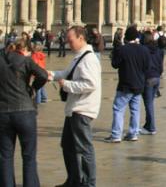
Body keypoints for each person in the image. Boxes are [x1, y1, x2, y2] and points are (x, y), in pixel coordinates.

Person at [51, 25, 103, 187]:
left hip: (82, 109)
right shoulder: (79, 56)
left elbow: (90, 84)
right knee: (67, 145)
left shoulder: (89, 59)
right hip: (74, 109)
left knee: (84, 148)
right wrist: (49, 74)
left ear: (81, 38)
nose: (68, 43)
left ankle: (89, 183)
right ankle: (73, 179)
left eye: (70, 40)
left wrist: (66, 85)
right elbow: (65, 74)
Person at [0, 38, 48, 187]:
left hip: (3, 112)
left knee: (5, 156)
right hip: (25, 111)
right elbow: (44, 75)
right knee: (28, 156)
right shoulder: (25, 60)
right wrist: (33, 88)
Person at [105, 26, 151, 143]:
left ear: (126, 37)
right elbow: (147, 67)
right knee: (135, 110)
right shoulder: (144, 50)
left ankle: (116, 135)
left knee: (118, 109)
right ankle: (133, 133)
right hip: (139, 84)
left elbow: (115, 65)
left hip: (125, 84)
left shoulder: (122, 50)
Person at [141, 31, 163, 135]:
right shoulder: (158, 49)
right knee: (150, 103)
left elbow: (143, 65)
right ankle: (147, 125)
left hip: (148, 78)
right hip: (157, 78)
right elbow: (160, 65)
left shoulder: (143, 50)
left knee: (148, 104)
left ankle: (152, 128)